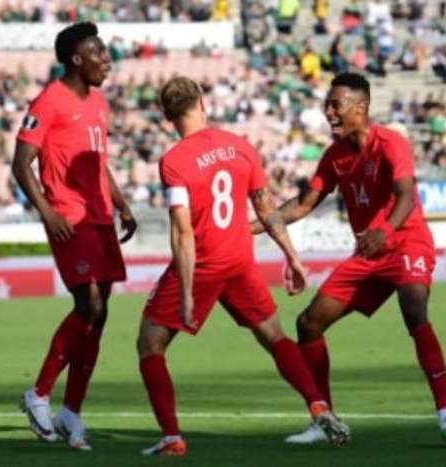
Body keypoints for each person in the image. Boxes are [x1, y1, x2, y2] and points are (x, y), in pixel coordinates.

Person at [136, 76, 351, 457]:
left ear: (168, 117)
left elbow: (183, 231)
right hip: (239, 260)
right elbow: (267, 210)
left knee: (150, 344)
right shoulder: (240, 147)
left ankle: (172, 437)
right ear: (202, 103)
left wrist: (186, 294)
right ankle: (319, 407)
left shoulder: (174, 162)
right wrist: (292, 257)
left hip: (203, 264)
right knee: (275, 336)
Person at [252, 72, 446, 446]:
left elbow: (405, 195)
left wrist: (385, 230)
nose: (328, 112)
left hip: (406, 243)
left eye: (335, 105)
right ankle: (325, 420)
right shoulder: (334, 156)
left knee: (414, 311)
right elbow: (302, 205)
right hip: (368, 253)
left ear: (360, 108)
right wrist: (244, 230)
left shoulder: (391, 143)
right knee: (308, 323)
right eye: (327, 105)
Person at [12, 22, 136, 451]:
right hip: (69, 217)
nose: (106, 59)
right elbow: (20, 162)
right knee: (90, 304)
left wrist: (120, 202)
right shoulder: (48, 102)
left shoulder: (99, 102)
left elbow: (99, 162)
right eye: (98, 52)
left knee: (99, 317)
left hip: (100, 216)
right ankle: (40, 393)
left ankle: (72, 411)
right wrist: (48, 212)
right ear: (76, 59)